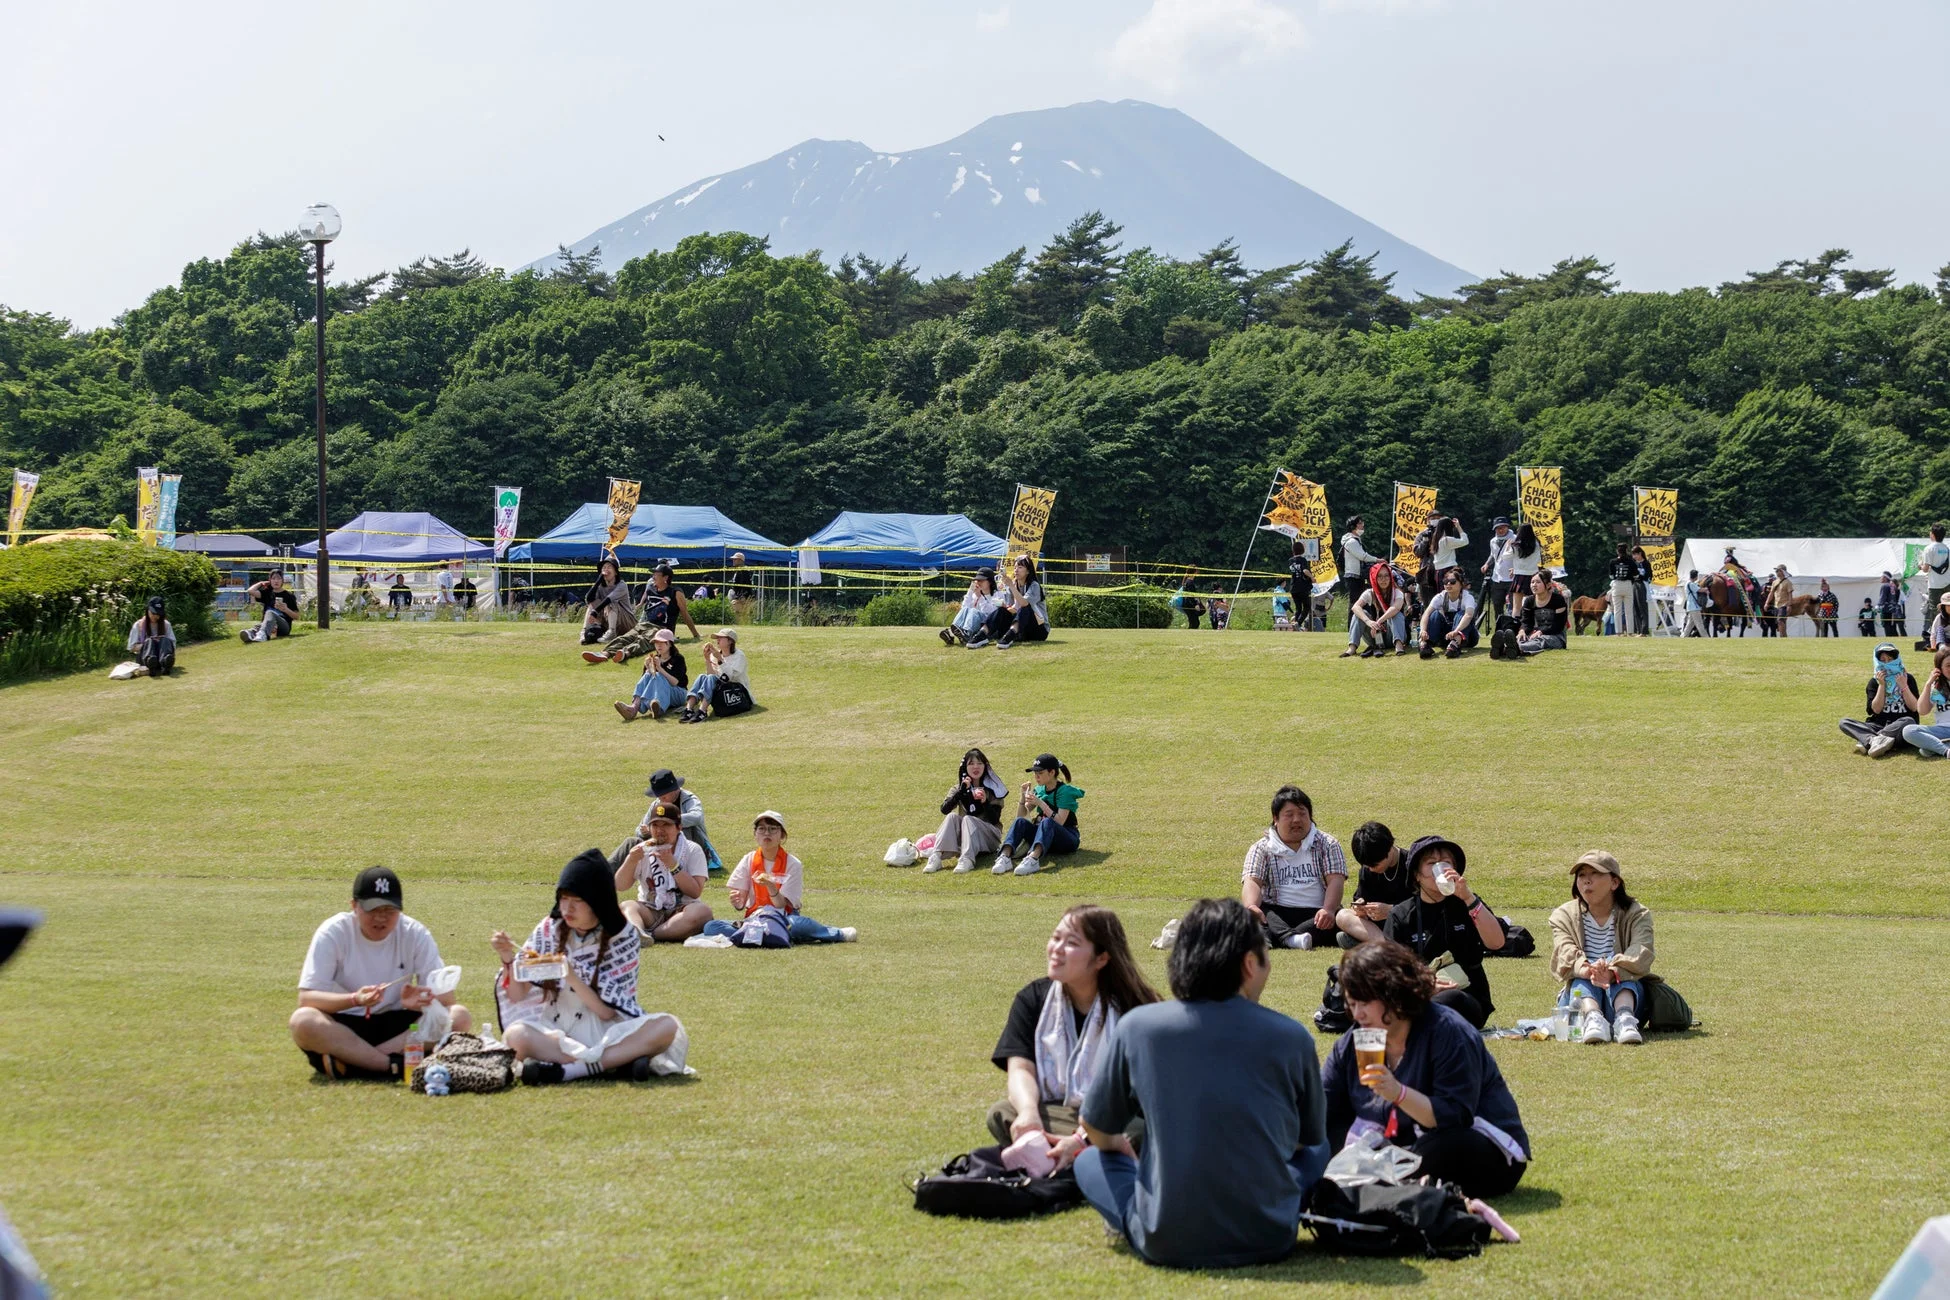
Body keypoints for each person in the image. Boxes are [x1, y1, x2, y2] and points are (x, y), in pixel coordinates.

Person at [1073, 898, 1330, 1269]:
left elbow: (1096, 1127)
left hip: (1165, 1238)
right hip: (1268, 1236)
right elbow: (1308, 1139)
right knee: (1319, 1148)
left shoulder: (1138, 1028)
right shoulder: (1292, 1036)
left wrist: (1123, 1150)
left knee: (1090, 1160)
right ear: (1249, 964)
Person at [1321, 939, 1529, 1198]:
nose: (1358, 1014)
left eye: (1365, 1003)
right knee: (1323, 1138)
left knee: (1442, 1147)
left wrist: (1398, 1093)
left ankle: (1375, 1183)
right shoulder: (1353, 1042)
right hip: (1402, 1141)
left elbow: (1453, 1116)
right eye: (1352, 1005)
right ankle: (1373, 1180)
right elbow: (1322, 1106)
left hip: (1472, 1142)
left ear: (1394, 995)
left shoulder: (1447, 1032)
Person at [491, 850, 688, 1085]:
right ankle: (617, 1062)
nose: (567, 909)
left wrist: (571, 976)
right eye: (564, 899)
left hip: (606, 1029)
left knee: (667, 1027)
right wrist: (508, 959)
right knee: (515, 1036)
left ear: (597, 902)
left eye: (577, 901)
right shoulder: (549, 929)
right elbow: (517, 994)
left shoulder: (622, 936)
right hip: (556, 1029)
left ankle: (571, 1070)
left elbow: (607, 1012)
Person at [989, 906, 1162, 1154]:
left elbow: (1140, 1095)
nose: (1057, 949)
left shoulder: (1136, 1010)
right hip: (1057, 1111)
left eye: (1071, 943)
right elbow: (1021, 1069)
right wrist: (1028, 1113)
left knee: (1137, 1130)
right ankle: (1066, 1154)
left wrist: (1082, 1138)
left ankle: (1056, 1154)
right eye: (1056, 938)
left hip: (1114, 1120)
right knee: (1001, 1112)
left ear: (1101, 958)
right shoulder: (1033, 999)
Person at [290, 867, 472, 1080]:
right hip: (344, 1024)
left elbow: (447, 1001)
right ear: (354, 906)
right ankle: (393, 1066)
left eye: (389, 910)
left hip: (399, 1028)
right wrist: (355, 999)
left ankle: (356, 1064)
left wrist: (419, 1003)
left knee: (459, 1016)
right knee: (303, 1021)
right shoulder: (333, 932)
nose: (381, 918)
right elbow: (307, 999)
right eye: (372, 909)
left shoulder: (415, 933)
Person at [1381, 835, 1506, 1029]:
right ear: (1417, 875)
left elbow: (1496, 942)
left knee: (1451, 998)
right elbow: (1390, 971)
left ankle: (1412, 1023)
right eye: (1431, 863)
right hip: (1419, 994)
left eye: (1446, 863)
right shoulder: (1401, 915)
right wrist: (1425, 986)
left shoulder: (1468, 904)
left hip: (1466, 996)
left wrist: (1468, 897)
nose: (1440, 868)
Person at [699, 810, 857, 944]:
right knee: (711, 926)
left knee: (800, 924)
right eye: (761, 829)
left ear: (782, 835)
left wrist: (770, 885)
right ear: (755, 834)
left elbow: (781, 905)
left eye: (773, 829)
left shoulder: (793, 863)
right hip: (754, 920)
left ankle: (837, 933)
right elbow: (741, 903)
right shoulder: (749, 859)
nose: (766, 833)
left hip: (784, 919)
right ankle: (769, 936)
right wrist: (738, 903)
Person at [1550, 850, 1653, 1045]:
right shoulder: (1563, 915)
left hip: (1627, 997)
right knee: (1582, 980)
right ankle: (1593, 1019)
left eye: (1595, 874)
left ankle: (1625, 1020)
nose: (1587, 881)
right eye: (1581, 875)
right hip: (1578, 1004)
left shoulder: (1637, 914)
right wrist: (1589, 970)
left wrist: (1612, 972)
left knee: (1623, 976)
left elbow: (1642, 951)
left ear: (1614, 882)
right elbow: (1564, 953)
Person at [1240, 785, 1347, 951]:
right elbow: (1252, 881)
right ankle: (1292, 939)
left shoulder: (1328, 844)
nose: (1296, 820)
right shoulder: (1261, 848)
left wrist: (1329, 909)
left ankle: (1274, 938)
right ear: (1275, 818)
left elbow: (1336, 881)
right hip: (1277, 913)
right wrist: (1252, 906)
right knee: (1259, 912)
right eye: (1289, 815)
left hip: (1316, 914)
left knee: (1339, 918)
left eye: (1302, 814)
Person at [613, 795, 712, 943]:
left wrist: (673, 865)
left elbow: (695, 891)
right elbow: (620, 886)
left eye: (666, 825)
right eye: (655, 825)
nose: (660, 830)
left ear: (679, 827)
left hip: (682, 910)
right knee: (627, 906)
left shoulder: (692, 849)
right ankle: (638, 931)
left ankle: (650, 935)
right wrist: (630, 861)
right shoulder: (642, 850)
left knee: (703, 912)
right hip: (651, 909)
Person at [611, 769, 724, 876]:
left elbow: (697, 817)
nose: (661, 799)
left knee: (683, 829)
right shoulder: (657, 803)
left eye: (664, 796)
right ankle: (605, 870)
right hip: (661, 845)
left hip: (690, 847)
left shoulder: (689, 799)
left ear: (674, 790)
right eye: (659, 796)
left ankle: (680, 866)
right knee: (631, 842)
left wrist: (672, 821)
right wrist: (645, 832)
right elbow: (639, 829)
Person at [993, 754, 1084, 877]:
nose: (1036, 776)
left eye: (1040, 773)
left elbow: (1060, 821)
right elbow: (1021, 816)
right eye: (1035, 773)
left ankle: (1033, 859)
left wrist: (1041, 803)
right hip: (1045, 838)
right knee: (1020, 822)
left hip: (1067, 839)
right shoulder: (1039, 790)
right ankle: (1005, 857)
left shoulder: (1065, 792)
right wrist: (1022, 797)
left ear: (1052, 772)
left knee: (1047, 822)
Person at [593, 562, 700, 664]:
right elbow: (647, 609)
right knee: (625, 638)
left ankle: (626, 653)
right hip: (644, 624)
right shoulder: (650, 590)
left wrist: (696, 635)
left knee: (643, 640)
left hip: (662, 628)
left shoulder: (675, 592)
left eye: (656, 574)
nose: (653, 577)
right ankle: (605, 654)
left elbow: (685, 614)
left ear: (665, 578)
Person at [1336, 821, 1419, 946]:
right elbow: (1361, 898)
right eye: (1367, 866)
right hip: (1379, 928)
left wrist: (1392, 910)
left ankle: (1373, 944)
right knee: (1342, 915)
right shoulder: (1368, 869)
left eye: (1375, 865)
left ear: (1389, 849)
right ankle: (1387, 946)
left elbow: (1425, 906)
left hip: (1408, 924)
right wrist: (1360, 908)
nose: (1371, 869)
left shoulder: (1412, 866)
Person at [927, 747, 1008, 873]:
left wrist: (985, 802)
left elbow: (994, 819)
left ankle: (967, 859)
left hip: (990, 838)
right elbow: (944, 810)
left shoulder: (993, 789)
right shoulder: (958, 788)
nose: (976, 767)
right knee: (952, 817)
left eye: (979, 763)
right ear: (965, 767)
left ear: (985, 766)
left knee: (968, 819)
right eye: (971, 764)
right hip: (965, 838)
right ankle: (936, 856)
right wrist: (961, 792)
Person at [1840, 643, 1922, 757]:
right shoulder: (1874, 682)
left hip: (1900, 728)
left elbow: (1914, 707)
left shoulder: (1908, 678)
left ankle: (1870, 740)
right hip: (1879, 724)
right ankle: (1877, 741)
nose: (1887, 663)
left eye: (1890, 659)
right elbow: (1876, 710)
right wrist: (1882, 685)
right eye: (1883, 660)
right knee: (1844, 722)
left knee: (1909, 721)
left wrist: (1904, 686)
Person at [614, 628, 687, 721]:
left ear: (669, 644)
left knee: (659, 676)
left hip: (678, 693)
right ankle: (635, 707)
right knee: (648, 675)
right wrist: (648, 669)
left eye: (661, 642)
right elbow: (645, 683)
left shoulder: (678, 659)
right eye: (656, 643)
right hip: (658, 693)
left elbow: (675, 682)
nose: (658, 645)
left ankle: (657, 707)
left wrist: (660, 669)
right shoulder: (654, 658)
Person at [680, 627, 749, 723]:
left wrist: (720, 659)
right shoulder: (715, 655)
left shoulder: (739, 656)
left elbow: (730, 677)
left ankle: (702, 711)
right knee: (702, 676)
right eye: (717, 637)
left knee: (711, 678)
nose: (717, 639)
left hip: (736, 689)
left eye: (721, 637)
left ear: (730, 641)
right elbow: (710, 676)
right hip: (721, 688)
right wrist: (707, 659)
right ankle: (689, 709)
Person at [1341, 561, 1408, 658]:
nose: (1383, 579)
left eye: (1386, 576)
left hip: (1392, 634)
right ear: (1374, 578)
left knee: (1396, 614)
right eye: (1379, 576)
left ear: (1390, 577)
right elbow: (1355, 607)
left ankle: (1399, 646)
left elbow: (1396, 608)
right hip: (1374, 636)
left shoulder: (1397, 593)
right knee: (1359, 614)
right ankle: (1352, 647)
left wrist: (1379, 621)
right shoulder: (1370, 593)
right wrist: (1368, 621)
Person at [1419, 570, 1479, 659]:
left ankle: (1455, 644)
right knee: (1435, 614)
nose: (1448, 584)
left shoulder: (1468, 597)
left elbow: (1468, 615)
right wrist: (1423, 630)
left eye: (1452, 582)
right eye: (1445, 582)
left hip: (1467, 636)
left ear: (1461, 584)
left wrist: (1456, 631)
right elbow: (1426, 614)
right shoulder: (1440, 597)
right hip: (1446, 636)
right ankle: (1425, 643)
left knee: (1462, 614)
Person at [993, 556, 1050, 649]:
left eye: (1020, 567)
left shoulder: (1034, 585)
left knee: (1025, 608)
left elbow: (1024, 603)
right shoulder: (1012, 584)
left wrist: (1012, 586)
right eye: (1015, 567)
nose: (1016, 570)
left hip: (1039, 629)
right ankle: (982, 634)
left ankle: (1009, 636)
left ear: (1028, 571)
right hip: (1023, 627)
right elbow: (1011, 608)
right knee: (1001, 610)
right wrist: (1005, 606)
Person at [1901, 650, 1950, 757]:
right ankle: (1945, 750)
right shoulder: (1936, 687)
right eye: (1948, 665)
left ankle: (1935, 747)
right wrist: (1928, 684)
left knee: (1925, 750)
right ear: (1939, 668)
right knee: (1908, 731)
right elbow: (1922, 711)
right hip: (1942, 730)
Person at [579, 558, 636, 647]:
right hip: (608, 620)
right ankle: (584, 631)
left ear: (616, 572)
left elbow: (609, 599)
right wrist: (598, 581)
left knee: (611, 603)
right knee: (593, 603)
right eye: (604, 567)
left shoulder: (622, 585)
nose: (606, 569)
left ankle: (611, 632)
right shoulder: (601, 586)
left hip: (627, 622)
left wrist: (595, 612)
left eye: (609, 567)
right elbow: (588, 599)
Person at [943, 567, 1002, 647]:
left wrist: (980, 597)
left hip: (987, 626)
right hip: (974, 624)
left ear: (990, 582)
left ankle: (965, 633)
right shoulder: (974, 594)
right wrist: (970, 591)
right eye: (977, 580)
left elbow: (992, 613)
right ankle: (953, 632)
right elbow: (964, 608)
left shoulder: (998, 595)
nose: (978, 583)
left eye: (982, 580)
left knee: (974, 611)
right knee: (967, 609)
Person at [1516, 570, 1570, 654]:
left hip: (1556, 637)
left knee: (1542, 640)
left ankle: (1517, 648)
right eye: (1532, 582)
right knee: (1523, 638)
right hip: (1536, 634)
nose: (1534, 585)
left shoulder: (1558, 600)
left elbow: (1558, 625)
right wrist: (1522, 631)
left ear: (1548, 585)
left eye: (1538, 582)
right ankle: (1508, 647)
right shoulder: (1529, 601)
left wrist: (1542, 631)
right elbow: (1527, 622)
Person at [240, 571, 301, 643]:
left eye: (279, 578)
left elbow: (297, 616)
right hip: (269, 625)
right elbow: (250, 591)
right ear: (270, 580)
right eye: (273, 578)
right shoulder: (267, 593)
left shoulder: (289, 596)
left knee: (270, 612)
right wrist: (261, 583)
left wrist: (286, 609)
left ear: (282, 580)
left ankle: (262, 634)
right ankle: (251, 634)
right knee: (261, 624)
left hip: (283, 627)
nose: (276, 581)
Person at [127, 595, 175, 676]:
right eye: (153, 613)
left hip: (161, 655)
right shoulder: (138, 625)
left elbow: (173, 644)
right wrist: (146, 644)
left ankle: (165, 663)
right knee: (149, 641)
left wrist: (159, 643)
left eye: (158, 614)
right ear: (147, 610)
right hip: (144, 659)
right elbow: (131, 647)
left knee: (165, 640)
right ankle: (150, 663)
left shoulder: (166, 624)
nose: (155, 616)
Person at [1481, 516, 1515, 626]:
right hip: (1497, 578)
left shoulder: (1515, 539)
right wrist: (1487, 564)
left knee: (1512, 606)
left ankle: (1512, 628)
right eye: (1498, 528)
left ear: (1507, 527)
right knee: (1497, 605)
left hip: (1512, 578)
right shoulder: (1493, 541)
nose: (1500, 530)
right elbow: (1493, 555)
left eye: (1503, 527)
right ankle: (1499, 629)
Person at [1339, 517, 1377, 614]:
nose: (1362, 525)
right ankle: (1351, 623)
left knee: (1361, 602)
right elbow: (1362, 556)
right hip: (1353, 576)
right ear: (1353, 526)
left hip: (1358, 576)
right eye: (1360, 523)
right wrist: (1377, 560)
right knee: (1355, 603)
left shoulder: (1355, 540)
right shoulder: (1351, 541)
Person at [1920, 525, 1950, 629]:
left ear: (1932, 534)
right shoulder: (1947, 549)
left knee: (1934, 610)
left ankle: (1936, 633)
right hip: (1947, 583)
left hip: (1935, 584)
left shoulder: (1929, 548)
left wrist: (1920, 566)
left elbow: (1925, 568)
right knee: (1948, 609)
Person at [1607, 544, 1638, 636]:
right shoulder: (1631, 561)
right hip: (1628, 584)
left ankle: (1618, 632)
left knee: (1617, 610)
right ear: (1626, 550)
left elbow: (1611, 576)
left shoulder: (1612, 561)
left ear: (1617, 551)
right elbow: (1636, 575)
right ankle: (1630, 632)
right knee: (1629, 611)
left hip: (1617, 585)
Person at [1429, 514, 1469, 579]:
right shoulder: (1447, 540)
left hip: (1438, 572)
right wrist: (1458, 526)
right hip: (1448, 570)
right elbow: (1465, 541)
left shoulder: (1436, 540)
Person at [1762, 564, 1794, 638]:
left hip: (1784, 605)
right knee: (1780, 622)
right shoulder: (1774, 582)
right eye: (1776, 571)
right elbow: (1771, 594)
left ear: (1782, 572)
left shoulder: (1788, 582)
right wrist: (1766, 603)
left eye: (1778, 570)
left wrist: (1789, 606)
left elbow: (1790, 595)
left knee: (1780, 621)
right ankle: (1783, 637)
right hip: (1776, 605)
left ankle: (1783, 638)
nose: (1776, 572)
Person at [1630, 545, 1654, 635]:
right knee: (1635, 608)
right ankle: (1638, 630)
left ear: (1640, 553)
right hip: (1634, 585)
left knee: (1642, 608)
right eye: (1633, 555)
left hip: (1642, 585)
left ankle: (1644, 631)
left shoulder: (1646, 563)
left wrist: (1640, 576)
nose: (1634, 557)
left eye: (1635, 554)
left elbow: (1649, 576)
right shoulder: (1633, 563)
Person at [1879, 571, 1908, 639]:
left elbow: (1902, 603)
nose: (1891, 585)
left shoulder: (1899, 591)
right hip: (1892, 610)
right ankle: (1895, 638)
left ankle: (1905, 639)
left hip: (1897, 611)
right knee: (1893, 627)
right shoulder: (1890, 589)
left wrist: (1903, 613)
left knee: (1900, 627)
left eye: (1892, 583)